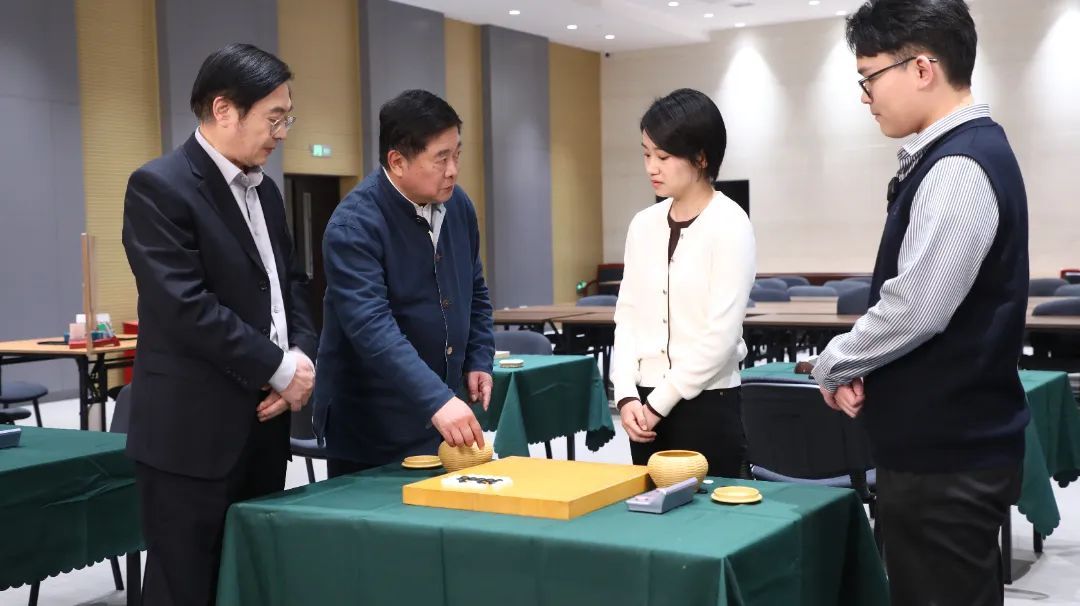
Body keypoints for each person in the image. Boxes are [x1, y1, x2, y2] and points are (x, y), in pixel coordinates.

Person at [812, 1, 1028, 603]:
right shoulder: (961, 152)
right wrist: (870, 364)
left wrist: (838, 361)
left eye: (869, 77)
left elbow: (918, 308)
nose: (865, 96)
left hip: (947, 457)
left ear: (922, 68)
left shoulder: (958, 164)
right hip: (947, 447)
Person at [122, 43, 316, 605]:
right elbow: (186, 307)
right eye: (273, 118)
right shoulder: (160, 186)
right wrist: (278, 368)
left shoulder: (268, 192)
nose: (282, 133)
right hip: (191, 435)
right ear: (224, 109)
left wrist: (301, 356)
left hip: (263, 423)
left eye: (287, 118)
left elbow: (290, 284)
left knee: (249, 579)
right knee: (186, 586)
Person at [313, 89, 495, 477]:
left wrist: (479, 356)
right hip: (374, 428)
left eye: (457, 154)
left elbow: (474, 290)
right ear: (397, 161)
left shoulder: (458, 206)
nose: (453, 170)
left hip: (441, 416)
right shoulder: (354, 225)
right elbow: (371, 326)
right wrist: (436, 399)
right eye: (441, 159)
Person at [611, 88, 756, 477]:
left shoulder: (730, 224)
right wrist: (625, 395)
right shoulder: (643, 225)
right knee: (649, 509)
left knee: (711, 512)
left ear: (701, 157)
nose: (651, 167)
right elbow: (627, 316)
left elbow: (720, 336)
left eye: (663, 157)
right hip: (643, 408)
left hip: (707, 402)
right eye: (646, 154)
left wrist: (658, 403)